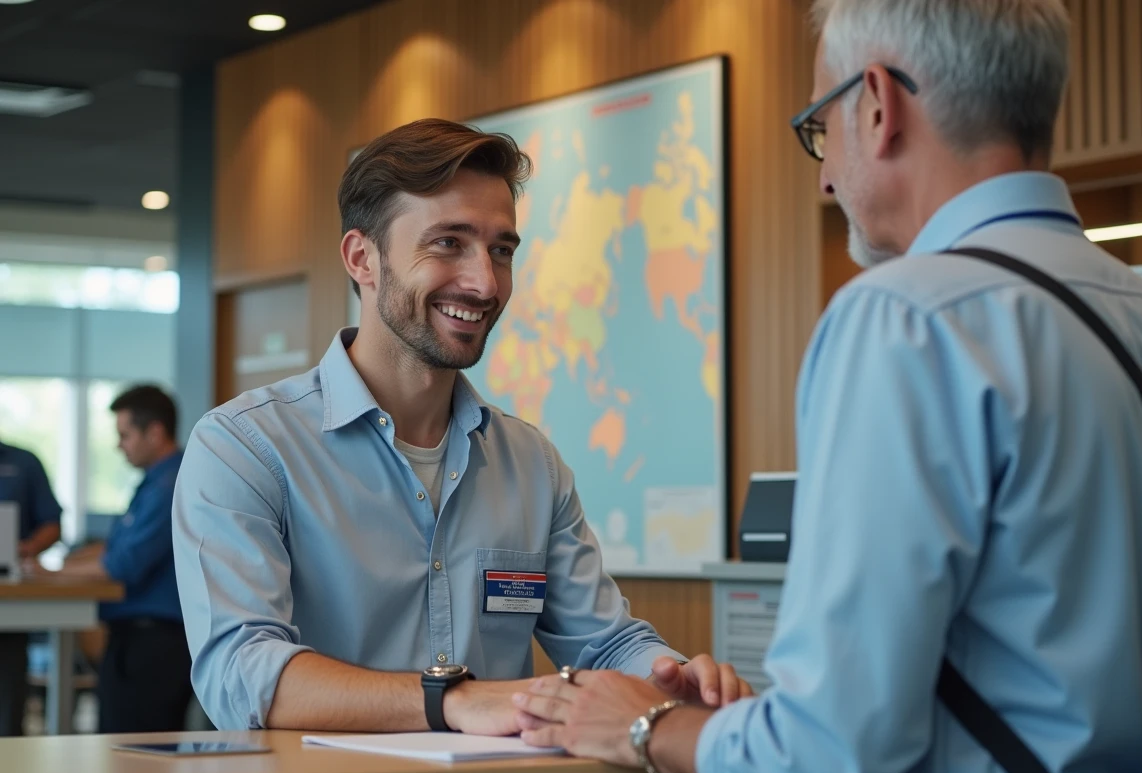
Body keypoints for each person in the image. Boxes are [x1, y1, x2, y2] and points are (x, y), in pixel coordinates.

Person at [512, 1, 1142, 773]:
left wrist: (642, 726)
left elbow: (824, 758)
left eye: (820, 126)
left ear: (878, 104)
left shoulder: (905, 318)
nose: (827, 172)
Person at [172, 119, 752, 734]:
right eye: (448, 242)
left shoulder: (531, 463)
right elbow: (240, 674)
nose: (484, 282)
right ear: (361, 259)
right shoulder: (245, 448)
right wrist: (449, 699)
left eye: (501, 250)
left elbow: (602, 647)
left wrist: (673, 679)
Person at [49, 385, 192, 733]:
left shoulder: (170, 486)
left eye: (125, 435)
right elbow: (113, 548)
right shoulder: (154, 483)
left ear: (155, 432)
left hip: (155, 644)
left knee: (137, 760)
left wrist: (52, 575)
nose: (119, 445)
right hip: (136, 638)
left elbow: (124, 564)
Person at [0, 439, 61, 735]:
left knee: (8, 715)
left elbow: (51, 521)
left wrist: (26, 549)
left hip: (10, 607)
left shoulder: (23, 462)